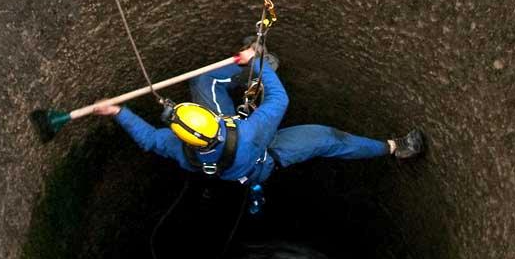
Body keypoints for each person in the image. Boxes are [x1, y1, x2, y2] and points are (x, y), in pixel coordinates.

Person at [93, 44, 424, 189]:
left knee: (202, 80)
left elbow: (151, 139)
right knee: (327, 138)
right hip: (264, 155)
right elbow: (280, 99)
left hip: (234, 151)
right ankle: (395, 148)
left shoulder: (179, 147)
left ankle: (252, 75)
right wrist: (257, 61)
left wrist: (119, 111)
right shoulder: (252, 133)